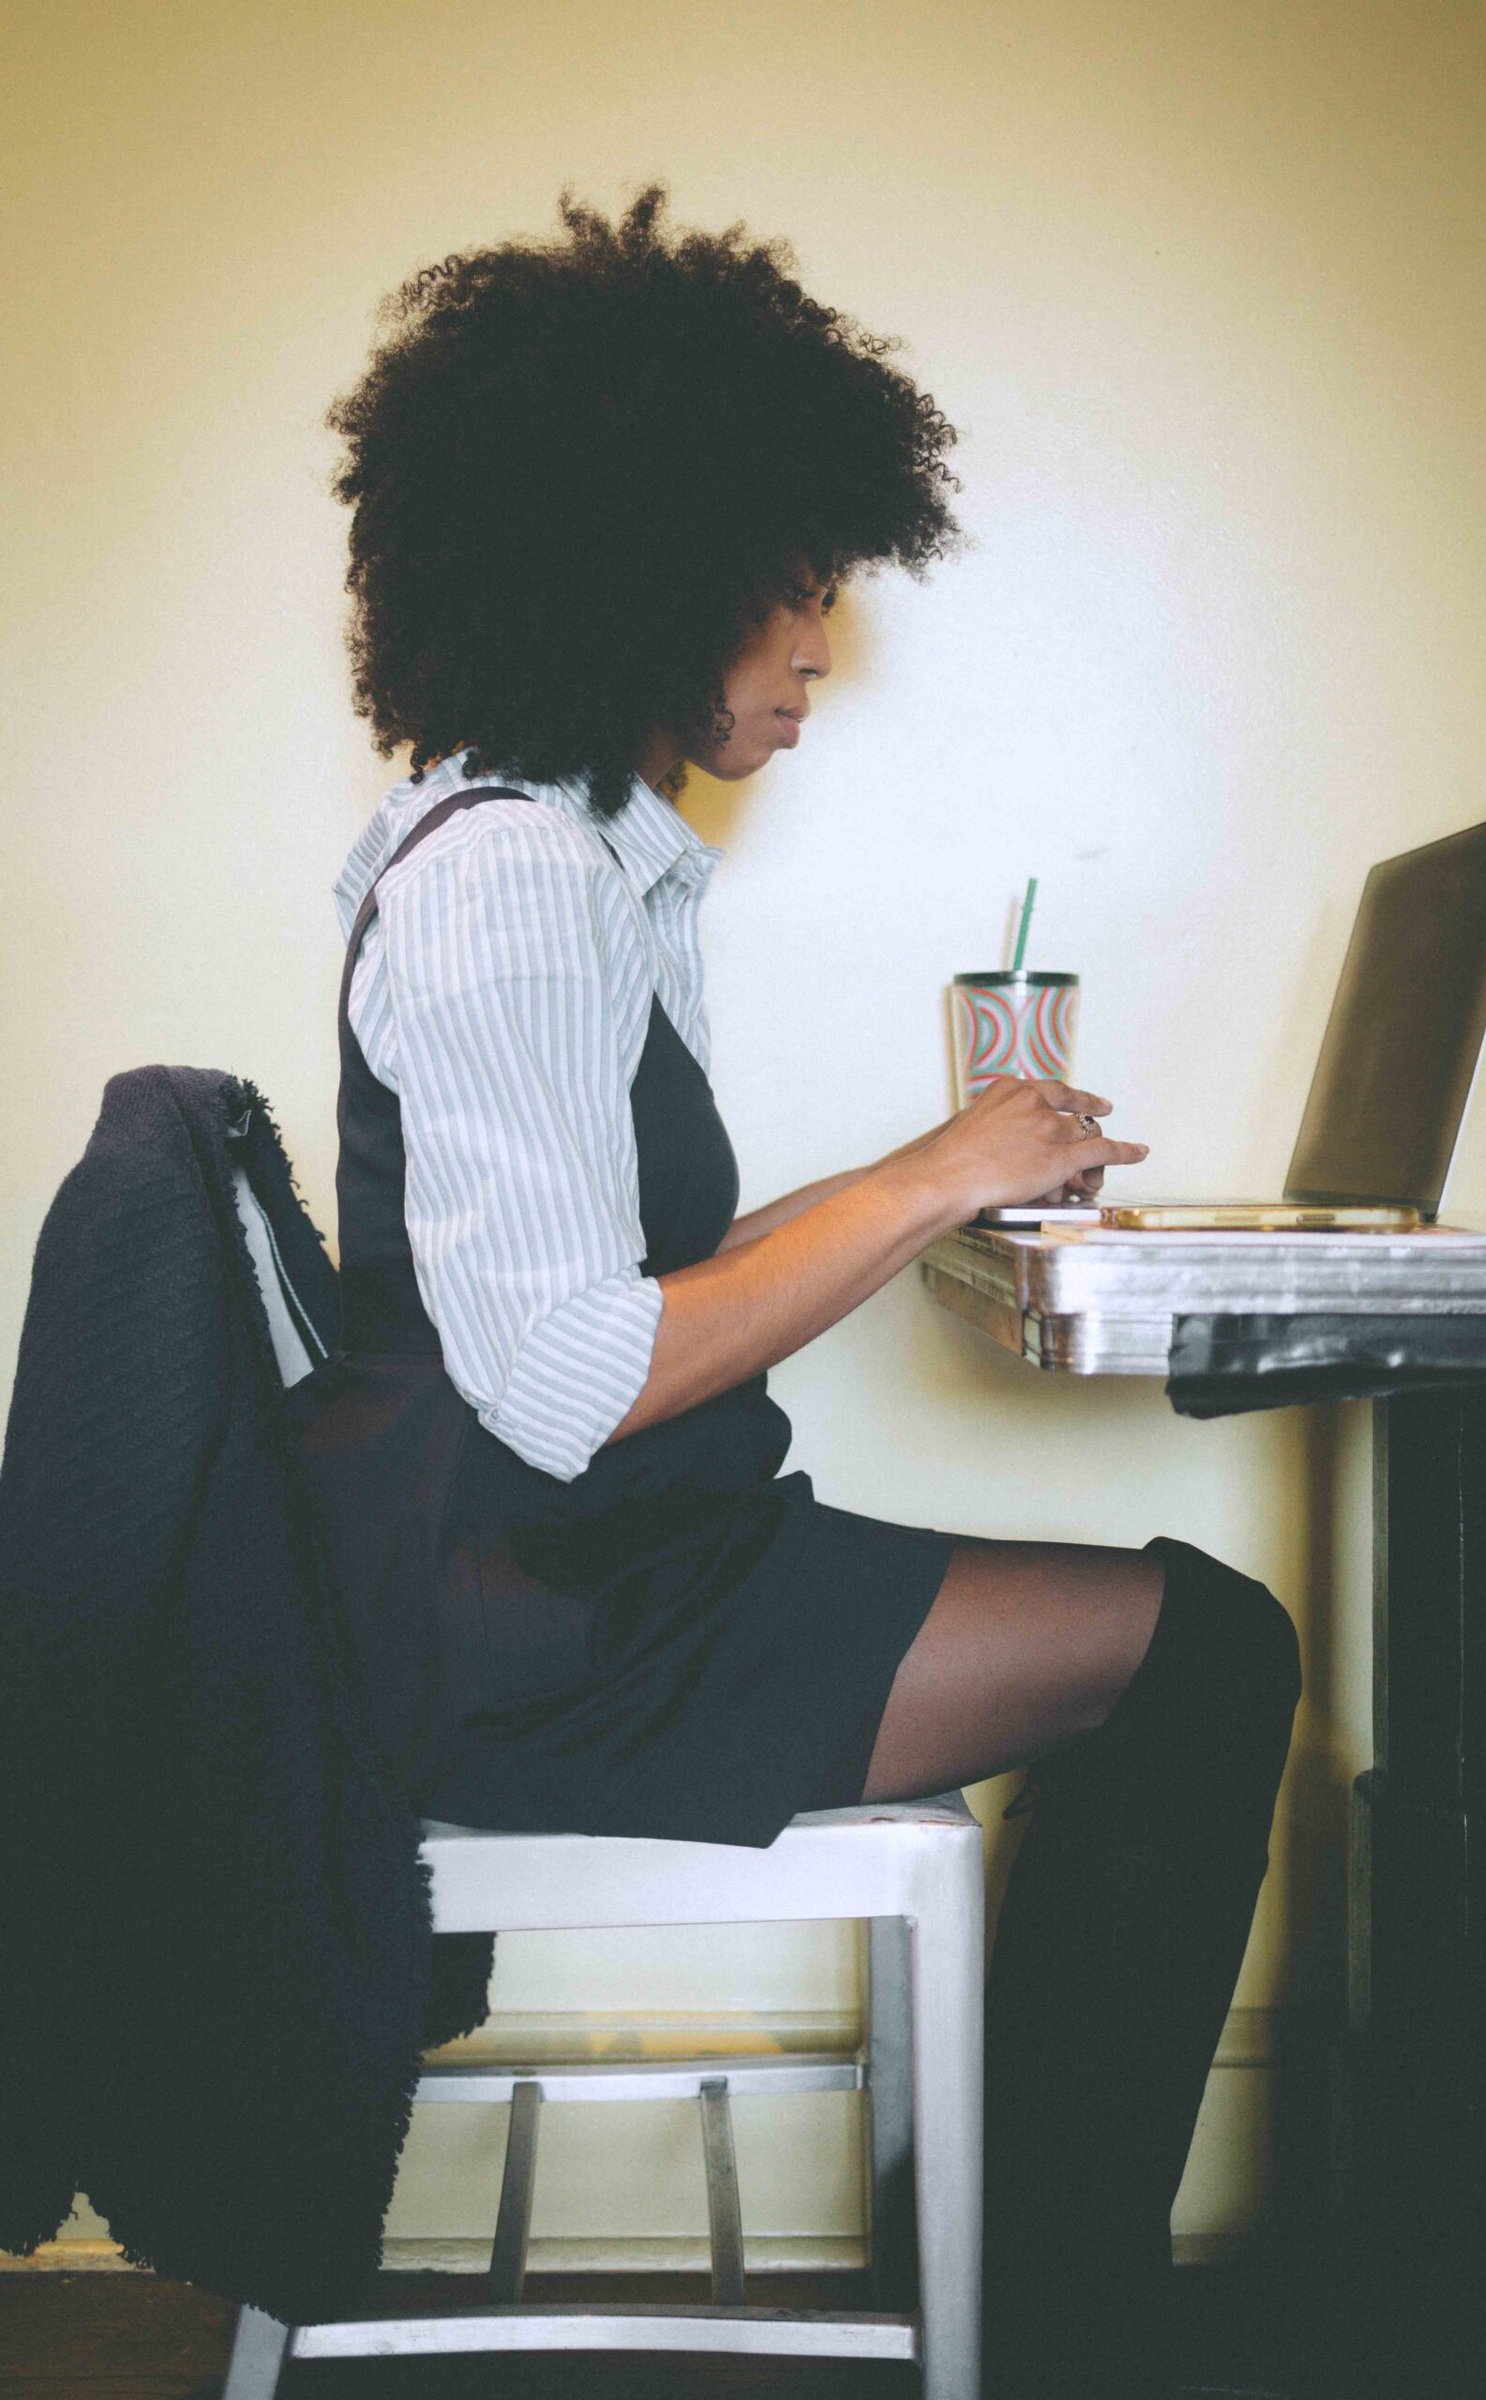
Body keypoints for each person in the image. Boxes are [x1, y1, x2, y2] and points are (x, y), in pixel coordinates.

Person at [312, 184, 1301, 2400]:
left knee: (1189, 1642)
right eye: (796, 583)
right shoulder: (504, 891)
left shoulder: (564, 852)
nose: (819, 645)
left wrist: (929, 1170)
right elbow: (572, 1379)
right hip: (552, 1632)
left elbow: (616, 1278)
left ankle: (1015, 2284)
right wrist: (939, 1171)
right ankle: (1051, 2321)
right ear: (636, 564)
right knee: (1205, 1649)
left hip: (598, 1577)